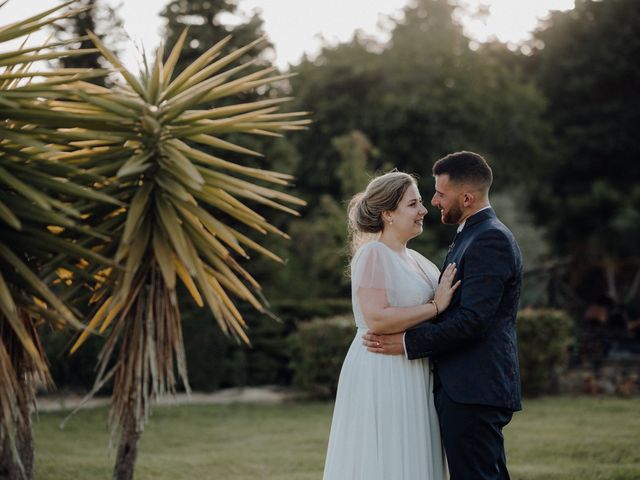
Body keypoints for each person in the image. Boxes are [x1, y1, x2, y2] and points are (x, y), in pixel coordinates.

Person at [364, 152, 523, 480]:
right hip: (462, 385)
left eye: (439, 193)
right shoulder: (470, 235)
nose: (433, 201)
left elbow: (473, 320)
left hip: (474, 385)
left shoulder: (488, 238)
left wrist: (407, 343)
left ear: (466, 197)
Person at [323, 171, 460, 480]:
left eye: (422, 202)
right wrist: (435, 306)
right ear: (387, 214)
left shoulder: (420, 261)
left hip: (416, 368)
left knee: (415, 453)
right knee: (385, 454)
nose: (423, 210)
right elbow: (377, 318)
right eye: (413, 204)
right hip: (382, 369)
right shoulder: (373, 254)